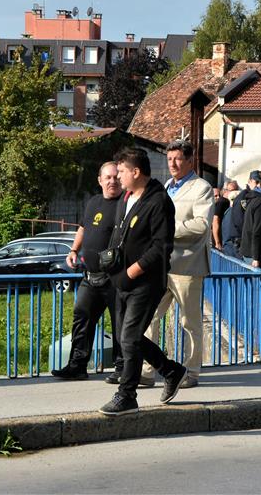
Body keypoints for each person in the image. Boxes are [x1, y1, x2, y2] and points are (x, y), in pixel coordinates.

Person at [97, 148, 188, 416]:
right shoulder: (127, 196)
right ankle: (171, 370)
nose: (118, 176)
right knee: (128, 337)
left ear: (136, 172)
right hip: (121, 279)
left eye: (122, 171)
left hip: (146, 282)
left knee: (130, 337)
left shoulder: (159, 202)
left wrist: (131, 272)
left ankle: (127, 395)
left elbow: (161, 247)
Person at [141, 140, 213, 390]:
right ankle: (147, 371)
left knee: (190, 322)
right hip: (161, 266)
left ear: (189, 160)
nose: (172, 163)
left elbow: (202, 225)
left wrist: (166, 231)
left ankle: (191, 371)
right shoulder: (166, 187)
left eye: (178, 159)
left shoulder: (201, 187)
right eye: (170, 158)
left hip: (187, 265)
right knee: (149, 317)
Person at [52, 161, 125, 381]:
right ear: (100, 180)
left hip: (115, 278)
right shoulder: (93, 202)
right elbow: (83, 227)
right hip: (90, 276)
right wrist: (73, 250)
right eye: (108, 177)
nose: (113, 181)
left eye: (116, 177)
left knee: (120, 324)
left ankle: (122, 369)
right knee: (81, 318)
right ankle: (77, 366)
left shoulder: (127, 203)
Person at [223, 171, 259, 258]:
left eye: (260, 182)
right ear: (250, 181)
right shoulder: (244, 197)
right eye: (256, 182)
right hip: (242, 241)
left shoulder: (254, 195)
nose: (258, 185)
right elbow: (239, 221)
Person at [211, 187, 230, 251]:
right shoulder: (220, 203)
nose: (218, 197)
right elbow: (215, 221)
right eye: (215, 196)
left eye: (219, 195)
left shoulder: (221, 203)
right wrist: (217, 242)